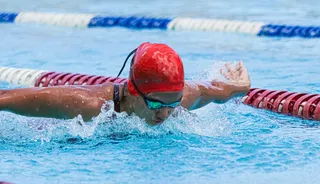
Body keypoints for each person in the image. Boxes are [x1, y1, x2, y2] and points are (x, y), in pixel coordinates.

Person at [0, 42, 251, 125]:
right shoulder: (89, 106)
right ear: (133, 89)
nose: (165, 113)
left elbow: (218, 91)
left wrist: (241, 87)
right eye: (154, 103)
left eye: (173, 102)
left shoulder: (179, 99)